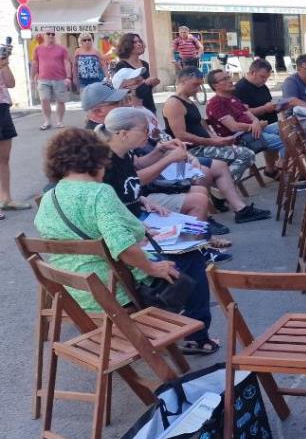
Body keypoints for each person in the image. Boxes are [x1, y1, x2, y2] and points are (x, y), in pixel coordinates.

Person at [35, 128, 218, 353]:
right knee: (192, 256)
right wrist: (152, 268)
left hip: (73, 291)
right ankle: (197, 338)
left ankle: (183, 329)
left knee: (170, 257)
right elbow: (123, 248)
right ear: (97, 159)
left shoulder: (48, 197)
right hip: (111, 292)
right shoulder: (98, 193)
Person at [162, 67, 265, 198]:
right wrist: (211, 141)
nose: (198, 89)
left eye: (200, 85)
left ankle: (220, 188)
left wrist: (215, 138)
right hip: (192, 150)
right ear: (183, 81)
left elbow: (200, 124)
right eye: (195, 84)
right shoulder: (174, 103)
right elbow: (180, 135)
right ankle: (219, 189)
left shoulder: (188, 101)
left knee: (243, 153)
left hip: (205, 145)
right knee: (246, 154)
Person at [205, 69, 283, 176]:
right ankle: (286, 170)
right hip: (239, 139)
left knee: (287, 126)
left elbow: (250, 115)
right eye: (225, 79)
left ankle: (275, 168)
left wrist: (256, 123)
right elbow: (234, 127)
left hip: (253, 131)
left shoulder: (233, 98)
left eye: (229, 77)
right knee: (285, 141)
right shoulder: (215, 103)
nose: (230, 80)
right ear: (216, 85)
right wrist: (255, 125)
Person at [0, 45, 29, 216]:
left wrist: (5, 65)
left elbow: (11, 83)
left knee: (4, 158)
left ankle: (6, 199)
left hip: (2, 108)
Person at [31, 30, 73, 130]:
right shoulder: (38, 48)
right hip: (43, 79)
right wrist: (32, 78)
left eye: (53, 34)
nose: (51, 36)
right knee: (44, 99)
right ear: (43, 35)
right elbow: (35, 63)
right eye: (48, 34)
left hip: (59, 78)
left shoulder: (62, 49)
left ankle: (59, 121)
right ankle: (47, 121)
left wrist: (68, 77)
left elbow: (66, 63)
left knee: (60, 101)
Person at [113, 32, 160, 113]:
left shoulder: (145, 64)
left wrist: (152, 83)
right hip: (133, 108)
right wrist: (146, 83)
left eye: (140, 41)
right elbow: (124, 89)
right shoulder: (121, 65)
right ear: (127, 45)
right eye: (135, 42)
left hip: (149, 105)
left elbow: (146, 89)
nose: (139, 44)